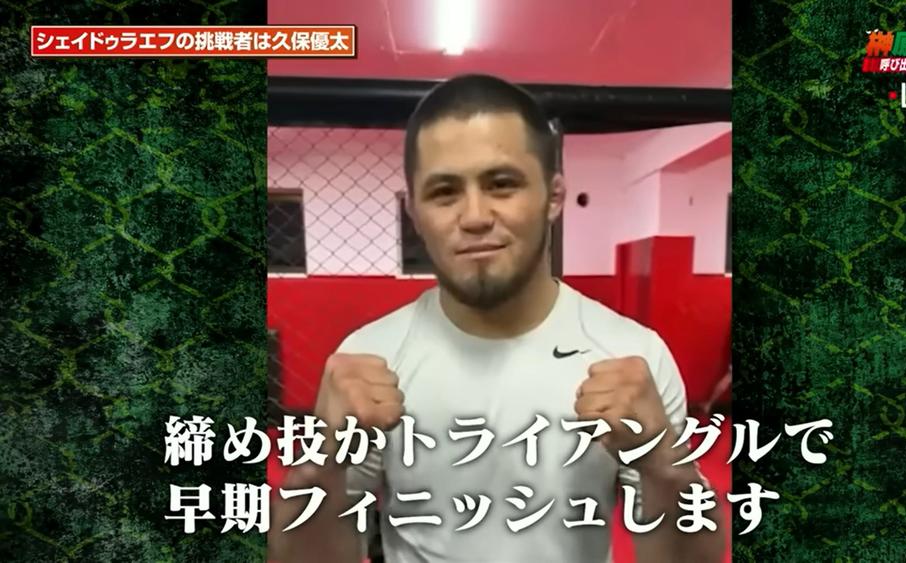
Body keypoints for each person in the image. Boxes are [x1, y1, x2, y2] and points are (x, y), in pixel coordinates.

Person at [270, 74, 724, 563]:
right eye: (445, 191)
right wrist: (322, 464)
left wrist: (663, 462)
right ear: (416, 213)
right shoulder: (371, 357)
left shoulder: (633, 355)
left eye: (502, 184)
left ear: (553, 196)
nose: (474, 216)